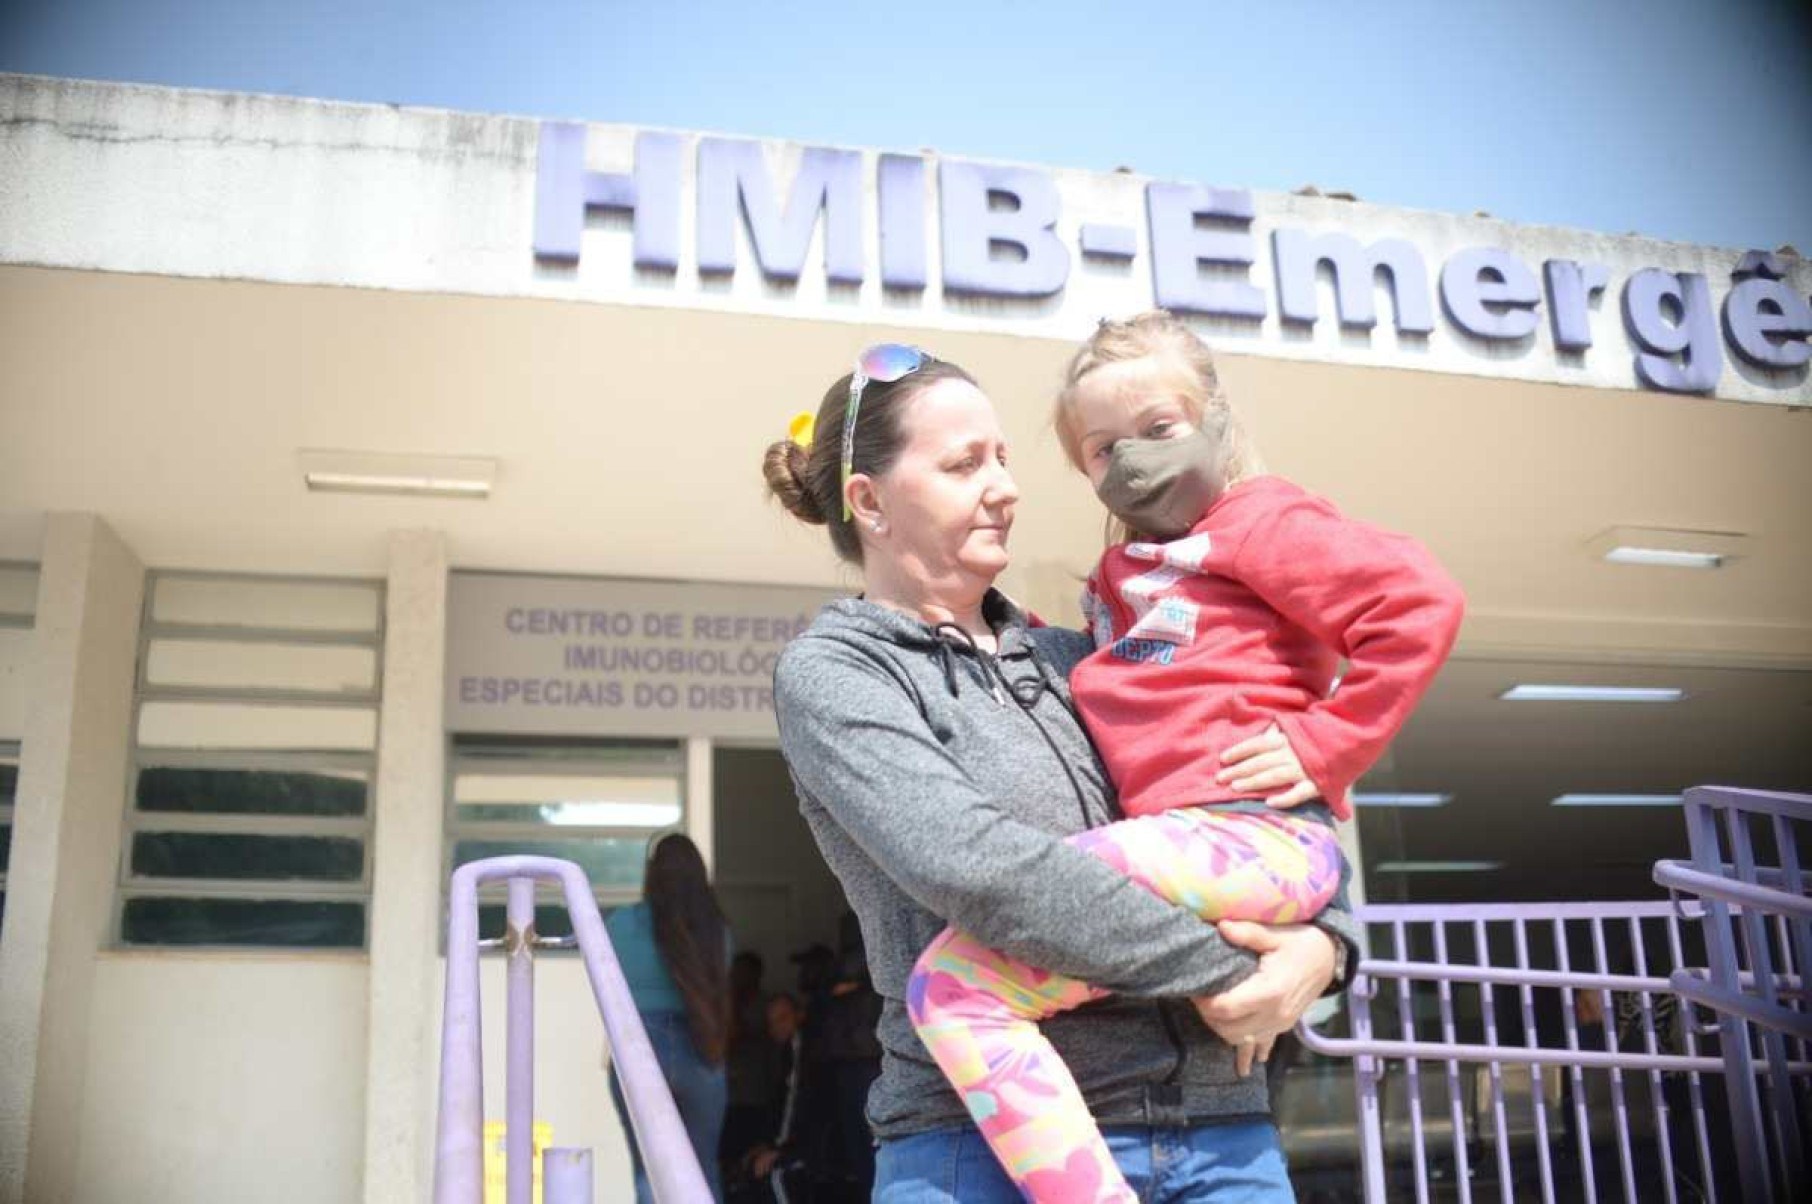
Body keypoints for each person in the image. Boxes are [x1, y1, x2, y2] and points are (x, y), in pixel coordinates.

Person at [761, 343, 1365, 1202]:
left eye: (1003, 459)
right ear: (869, 501)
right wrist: (1232, 970)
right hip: (978, 1155)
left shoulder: (1081, 653)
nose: (1004, 488)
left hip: (1219, 1135)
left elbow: (1240, 802)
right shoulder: (838, 675)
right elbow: (984, 872)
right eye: (966, 464)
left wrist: (1323, 943)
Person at [903, 310, 1466, 1201]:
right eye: (1100, 449)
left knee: (954, 984)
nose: (1130, 460)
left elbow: (1418, 602)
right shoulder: (1137, 567)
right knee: (962, 987)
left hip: (1255, 839)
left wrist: (1327, 743)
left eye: (1158, 430)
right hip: (1204, 856)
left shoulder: (1258, 518)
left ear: (1215, 423)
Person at [606, 832, 732, 1202]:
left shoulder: (621, 924)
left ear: (651, 873)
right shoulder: (717, 931)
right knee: (703, 1172)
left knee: (650, 1173)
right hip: (702, 1048)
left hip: (638, 1050)